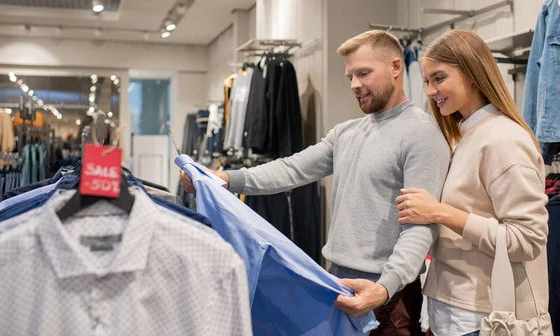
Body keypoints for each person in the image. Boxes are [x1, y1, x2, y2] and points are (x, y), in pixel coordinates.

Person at [181, 30, 451, 335]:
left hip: (387, 296)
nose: (355, 85)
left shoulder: (421, 135)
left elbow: (420, 227)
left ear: (395, 67)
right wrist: (226, 179)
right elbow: (292, 170)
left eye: (364, 73)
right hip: (336, 282)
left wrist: (384, 288)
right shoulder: (347, 132)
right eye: (350, 76)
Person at [393, 29, 549, 336]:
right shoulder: (466, 136)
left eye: (439, 78)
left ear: (473, 74)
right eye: (427, 81)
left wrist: (440, 213)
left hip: (484, 316)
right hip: (454, 310)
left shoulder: (503, 140)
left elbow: (528, 238)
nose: (429, 91)